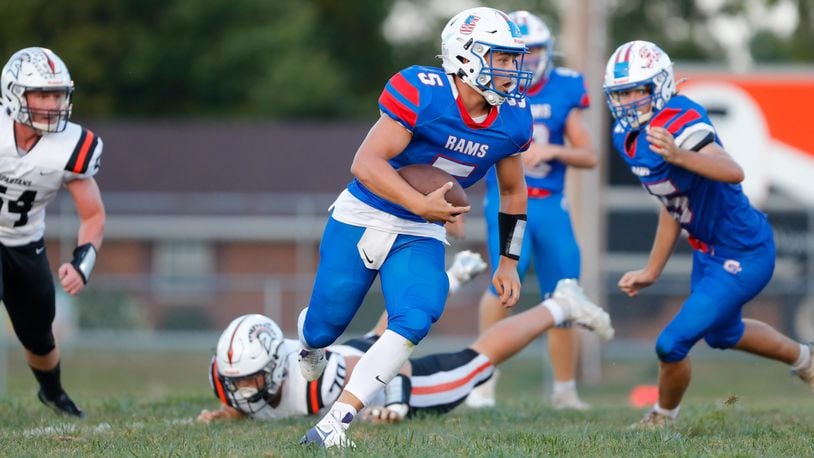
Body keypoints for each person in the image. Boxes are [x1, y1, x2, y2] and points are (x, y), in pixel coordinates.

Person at [294, 6, 537, 448]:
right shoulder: (423, 92)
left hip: (421, 227)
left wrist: (508, 261)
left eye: (511, 59)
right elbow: (365, 163)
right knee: (324, 328)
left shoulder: (513, 118)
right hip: (365, 213)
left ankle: (337, 422)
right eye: (500, 59)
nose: (511, 70)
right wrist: (418, 202)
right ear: (466, 57)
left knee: (418, 313)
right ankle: (309, 344)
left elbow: (515, 193)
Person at [603, 40, 814, 428]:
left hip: (745, 251)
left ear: (660, 86)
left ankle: (661, 417)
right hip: (708, 252)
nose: (628, 101)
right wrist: (652, 270)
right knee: (723, 334)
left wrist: (680, 156)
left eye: (637, 90)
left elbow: (733, 170)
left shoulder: (680, 120)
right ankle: (806, 359)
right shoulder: (625, 136)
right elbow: (673, 205)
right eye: (620, 93)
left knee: (670, 343)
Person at [198, 265, 613, 425]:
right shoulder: (231, 378)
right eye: (240, 381)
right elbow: (375, 342)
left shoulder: (316, 382)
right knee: (391, 329)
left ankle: (560, 305)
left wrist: (394, 402)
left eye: (252, 379)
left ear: (275, 366)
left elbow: (382, 362)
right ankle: (448, 279)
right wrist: (230, 414)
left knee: (476, 360)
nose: (244, 389)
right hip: (359, 355)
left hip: (387, 378)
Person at [467, 11, 600, 411]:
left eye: (532, 52)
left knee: (566, 293)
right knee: (502, 284)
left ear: (547, 52)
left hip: (551, 205)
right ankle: (482, 379)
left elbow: (589, 154)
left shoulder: (564, 88)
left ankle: (564, 390)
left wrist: (554, 150)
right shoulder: (488, 88)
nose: (523, 63)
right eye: (514, 55)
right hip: (508, 203)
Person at [0, 47, 105, 418]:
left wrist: (81, 265)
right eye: (42, 94)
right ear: (14, 94)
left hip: (25, 242)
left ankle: (53, 393)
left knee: (39, 337)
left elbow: (93, 216)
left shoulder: (70, 147)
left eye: (58, 95)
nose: (52, 104)